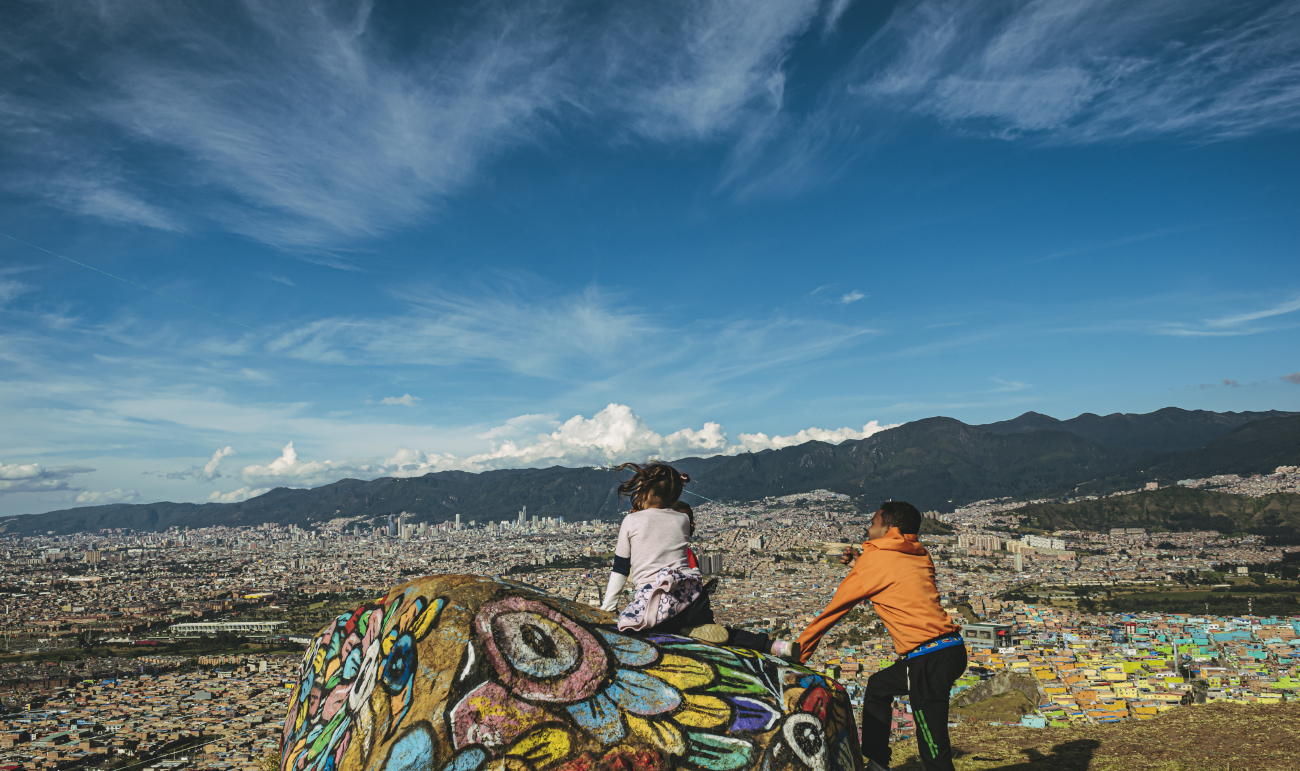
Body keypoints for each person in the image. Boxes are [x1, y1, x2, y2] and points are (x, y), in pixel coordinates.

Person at [796, 501, 966, 771]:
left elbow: (833, 612)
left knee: (933, 748)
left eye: (874, 522)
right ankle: (876, 762)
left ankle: (881, 762)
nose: (868, 526)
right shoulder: (920, 553)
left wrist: (799, 651)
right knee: (877, 688)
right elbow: (894, 574)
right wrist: (858, 562)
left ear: (890, 529)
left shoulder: (874, 561)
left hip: (927, 660)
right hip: (950, 651)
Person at [600, 462, 798, 659]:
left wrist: (607, 608)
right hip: (694, 599)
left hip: (661, 603)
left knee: (627, 629)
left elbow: (620, 568)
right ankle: (773, 645)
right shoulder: (682, 520)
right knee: (723, 634)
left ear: (644, 491)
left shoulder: (630, 521)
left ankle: (681, 631)